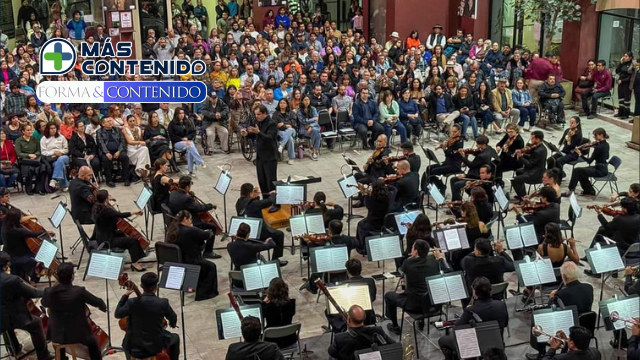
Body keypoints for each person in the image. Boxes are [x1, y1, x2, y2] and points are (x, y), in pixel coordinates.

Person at [42, 263, 107, 360]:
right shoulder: (79, 292)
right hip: (78, 333)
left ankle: (62, 357)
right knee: (94, 344)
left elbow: (44, 303)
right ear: (72, 276)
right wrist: (103, 307)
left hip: (56, 333)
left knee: (60, 343)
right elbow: (98, 302)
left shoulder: (48, 291)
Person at [385, 239, 450, 334]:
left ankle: (395, 326)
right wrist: (440, 258)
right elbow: (449, 270)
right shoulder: (435, 263)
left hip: (414, 306)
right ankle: (421, 321)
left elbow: (403, 272)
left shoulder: (408, 263)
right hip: (433, 304)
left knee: (389, 296)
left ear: (415, 251)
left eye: (412, 248)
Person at [439, 277, 509, 360]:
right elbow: (505, 324)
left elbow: (457, 328)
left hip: (477, 346)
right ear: (490, 290)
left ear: (475, 292)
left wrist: (466, 311)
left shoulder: (471, 310)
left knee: (442, 341)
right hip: (497, 345)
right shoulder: (501, 305)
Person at [115, 272, 180, 360]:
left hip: (133, 347)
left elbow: (117, 314)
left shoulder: (132, 302)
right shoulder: (162, 303)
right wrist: (172, 324)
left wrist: (125, 296)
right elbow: (173, 318)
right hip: (153, 347)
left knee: (127, 343)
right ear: (156, 287)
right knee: (175, 338)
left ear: (141, 286)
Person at [0, 252, 52, 360]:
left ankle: (14, 347)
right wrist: (49, 291)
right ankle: (43, 355)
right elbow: (33, 293)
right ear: (5, 266)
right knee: (36, 323)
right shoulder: (12, 280)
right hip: (14, 317)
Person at [166, 211, 218, 301]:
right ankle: (204, 293)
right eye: (190, 219)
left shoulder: (172, 229)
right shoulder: (190, 230)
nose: (191, 221)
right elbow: (206, 235)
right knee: (211, 266)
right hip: (191, 261)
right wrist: (193, 227)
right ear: (185, 219)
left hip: (178, 260)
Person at [92, 189, 146, 271]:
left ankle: (137, 254)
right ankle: (135, 263)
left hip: (102, 236)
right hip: (107, 241)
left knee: (124, 233)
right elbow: (120, 215)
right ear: (106, 199)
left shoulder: (96, 206)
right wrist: (135, 212)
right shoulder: (106, 210)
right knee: (133, 241)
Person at [234, 183, 287, 266]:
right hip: (257, 233)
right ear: (250, 193)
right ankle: (275, 260)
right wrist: (273, 194)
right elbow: (269, 201)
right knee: (279, 235)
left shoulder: (239, 202)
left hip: (244, 232)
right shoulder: (253, 204)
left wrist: (256, 196)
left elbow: (254, 205)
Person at [169, 176, 220, 259]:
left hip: (177, 219)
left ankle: (201, 243)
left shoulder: (173, 193)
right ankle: (208, 251)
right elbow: (198, 208)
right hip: (189, 221)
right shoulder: (186, 198)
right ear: (187, 187)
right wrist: (211, 205)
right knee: (213, 227)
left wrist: (190, 195)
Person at [1, 207, 53, 281]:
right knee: (39, 265)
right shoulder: (17, 231)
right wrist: (46, 233)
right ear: (16, 219)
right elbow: (34, 234)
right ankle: (33, 282)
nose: (21, 219)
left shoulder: (5, 224)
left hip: (9, 252)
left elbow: (21, 221)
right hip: (19, 256)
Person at [241, 104, 278, 204]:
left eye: (259, 114)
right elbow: (254, 133)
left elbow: (269, 138)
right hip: (260, 157)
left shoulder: (272, 123)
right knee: (262, 181)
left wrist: (258, 132)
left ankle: (274, 202)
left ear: (265, 113)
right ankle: (265, 202)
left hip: (270, 157)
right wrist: (247, 134)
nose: (257, 116)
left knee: (270, 183)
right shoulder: (258, 122)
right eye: (256, 114)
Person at [328, 305, 394, 360]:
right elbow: (394, 345)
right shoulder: (378, 331)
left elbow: (331, 352)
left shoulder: (340, 338)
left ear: (348, 319)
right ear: (364, 317)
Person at [512, 187, 561, 256]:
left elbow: (527, 225)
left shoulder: (541, 214)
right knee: (527, 217)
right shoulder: (556, 206)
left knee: (514, 240)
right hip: (551, 229)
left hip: (542, 236)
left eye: (541, 197)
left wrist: (518, 214)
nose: (539, 199)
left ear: (545, 198)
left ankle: (524, 255)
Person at [562, 128, 609, 197]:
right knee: (581, 172)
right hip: (603, 168)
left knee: (577, 170)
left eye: (595, 136)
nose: (594, 138)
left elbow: (589, 161)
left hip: (599, 170)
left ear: (601, 135)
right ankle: (589, 191)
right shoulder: (606, 145)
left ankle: (570, 191)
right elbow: (607, 157)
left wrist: (580, 154)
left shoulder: (599, 147)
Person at [450, 135, 495, 201]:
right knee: (453, 179)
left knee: (456, 184)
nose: (476, 146)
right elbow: (477, 159)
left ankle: (456, 205)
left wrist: (463, 156)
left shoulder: (482, 156)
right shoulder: (489, 149)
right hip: (476, 172)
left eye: (478, 144)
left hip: (476, 177)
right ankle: (456, 200)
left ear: (483, 145)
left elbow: (471, 165)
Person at [423, 125, 464, 194]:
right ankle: (429, 187)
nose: (453, 134)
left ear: (459, 132)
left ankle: (441, 186)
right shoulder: (452, 139)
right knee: (429, 168)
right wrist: (440, 146)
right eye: (452, 132)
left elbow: (450, 154)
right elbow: (448, 143)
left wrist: (444, 149)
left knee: (433, 171)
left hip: (454, 165)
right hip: (447, 162)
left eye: (455, 132)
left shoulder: (459, 143)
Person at [511, 131, 548, 202]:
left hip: (536, 174)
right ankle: (522, 195)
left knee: (515, 180)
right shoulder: (537, 147)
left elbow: (529, 164)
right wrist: (524, 154)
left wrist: (521, 157)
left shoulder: (539, 151)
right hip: (533, 169)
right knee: (518, 171)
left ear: (538, 139)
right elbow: (531, 157)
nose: (531, 140)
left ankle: (523, 200)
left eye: (533, 138)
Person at [355, 180, 390, 253]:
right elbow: (394, 189)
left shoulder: (369, 200)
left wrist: (362, 190)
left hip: (373, 223)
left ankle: (362, 247)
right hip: (384, 222)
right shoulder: (388, 197)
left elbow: (364, 199)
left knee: (360, 224)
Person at [168, 108, 206, 176]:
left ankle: (190, 170)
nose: (182, 115)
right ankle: (200, 162)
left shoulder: (187, 122)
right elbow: (171, 136)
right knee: (190, 144)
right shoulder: (172, 124)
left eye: (182, 113)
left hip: (187, 141)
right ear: (176, 114)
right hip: (177, 143)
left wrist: (187, 138)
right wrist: (181, 139)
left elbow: (193, 132)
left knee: (190, 147)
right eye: (180, 113)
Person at [261, 278, 296, 349]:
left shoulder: (268, 307)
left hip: (271, 341)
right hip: (289, 339)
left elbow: (261, 314)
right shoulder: (291, 304)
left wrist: (264, 302)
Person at [97, 117, 131, 187]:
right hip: (106, 152)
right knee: (106, 160)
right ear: (103, 124)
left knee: (125, 157)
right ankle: (109, 180)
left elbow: (123, 142)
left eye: (111, 121)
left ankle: (126, 178)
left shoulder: (117, 130)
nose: (110, 122)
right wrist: (107, 152)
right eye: (108, 121)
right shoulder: (99, 132)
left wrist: (119, 151)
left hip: (117, 150)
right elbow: (101, 143)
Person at [547, 116, 582, 182]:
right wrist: (558, 147)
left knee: (559, 161)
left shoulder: (578, 134)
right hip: (565, 151)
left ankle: (558, 179)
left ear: (577, 124)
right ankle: (550, 176)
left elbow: (572, 146)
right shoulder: (567, 130)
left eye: (573, 123)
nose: (571, 124)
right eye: (570, 122)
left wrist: (568, 140)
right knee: (550, 159)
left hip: (572, 153)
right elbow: (562, 140)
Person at [15, 123, 47, 195]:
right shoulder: (18, 141)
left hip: (35, 159)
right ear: (23, 131)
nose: (30, 132)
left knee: (42, 168)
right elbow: (19, 153)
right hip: (25, 160)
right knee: (30, 169)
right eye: (28, 130)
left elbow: (39, 150)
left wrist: (35, 155)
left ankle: (38, 188)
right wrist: (28, 155)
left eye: (31, 130)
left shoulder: (35, 139)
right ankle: (28, 189)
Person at [122, 115, 151, 182]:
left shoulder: (138, 128)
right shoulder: (125, 129)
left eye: (133, 120)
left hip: (139, 147)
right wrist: (140, 142)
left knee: (145, 149)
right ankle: (142, 171)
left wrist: (141, 142)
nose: (132, 122)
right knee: (144, 149)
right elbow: (129, 141)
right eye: (130, 121)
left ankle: (141, 169)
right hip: (131, 150)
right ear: (127, 122)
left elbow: (141, 139)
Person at [273, 98, 297, 165]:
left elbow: (293, 123)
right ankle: (291, 158)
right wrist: (286, 125)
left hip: (292, 131)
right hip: (280, 132)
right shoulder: (275, 114)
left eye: (284, 103)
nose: (282, 104)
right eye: (281, 103)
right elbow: (274, 124)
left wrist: (283, 124)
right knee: (290, 139)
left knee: (290, 130)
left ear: (287, 104)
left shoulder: (291, 112)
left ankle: (282, 144)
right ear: (279, 104)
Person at [297, 95, 321, 160]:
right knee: (318, 134)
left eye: (308, 100)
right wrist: (313, 119)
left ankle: (314, 152)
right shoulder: (299, 110)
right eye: (305, 100)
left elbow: (317, 120)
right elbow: (302, 121)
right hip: (303, 129)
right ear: (302, 101)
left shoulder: (313, 109)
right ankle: (314, 151)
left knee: (316, 131)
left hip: (313, 128)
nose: (306, 101)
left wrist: (311, 126)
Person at [615, 52, 635, 120]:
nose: (624, 57)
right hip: (621, 83)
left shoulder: (632, 65)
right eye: (624, 56)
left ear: (630, 57)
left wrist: (622, 81)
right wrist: (620, 63)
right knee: (620, 98)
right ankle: (620, 112)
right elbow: (617, 71)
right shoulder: (623, 64)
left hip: (627, 84)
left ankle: (626, 114)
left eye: (626, 56)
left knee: (626, 100)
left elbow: (630, 76)